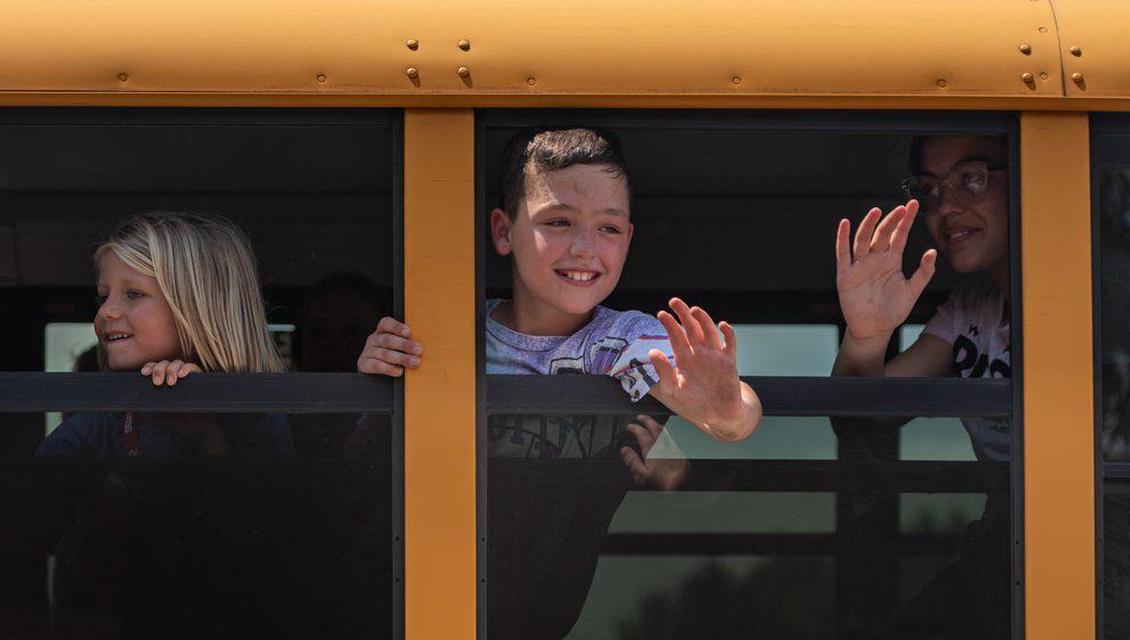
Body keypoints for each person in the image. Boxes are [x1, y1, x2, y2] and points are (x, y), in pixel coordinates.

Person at [358, 127, 762, 637]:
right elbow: (362, 472)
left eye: (609, 229)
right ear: (503, 232)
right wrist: (375, 380)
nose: (584, 248)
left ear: (628, 239)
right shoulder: (448, 339)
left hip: (548, 615)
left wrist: (726, 410)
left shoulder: (618, 340)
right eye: (559, 221)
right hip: (411, 600)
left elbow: (724, 412)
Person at [831, 135, 1011, 637]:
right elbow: (860, 421)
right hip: (1007, 538)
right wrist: (868, 337)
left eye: (971, 178)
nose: (947, 206)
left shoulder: (1108, 295)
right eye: (931, 188)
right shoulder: (972, 308)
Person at [38, 212, 292, 457]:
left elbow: (262, 499)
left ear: (199, 309)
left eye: (134, 294)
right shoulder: (100, 423)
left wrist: (205, 434)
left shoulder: (257, 418)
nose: (106, 311)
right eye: (103, 297)